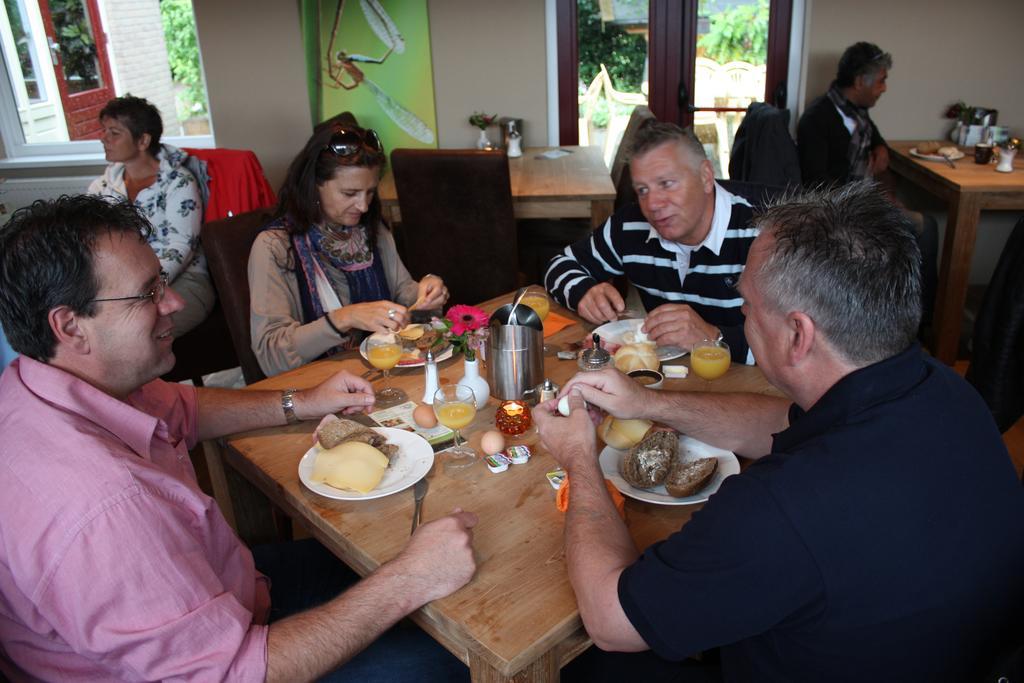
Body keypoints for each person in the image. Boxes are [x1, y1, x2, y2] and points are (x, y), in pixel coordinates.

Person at [536, 182, 1024, 681]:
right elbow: (777, 421)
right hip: (954, 657)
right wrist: (647, 402)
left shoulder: (783, 505)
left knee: (589, 667)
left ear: (798, 334)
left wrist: (579, 456)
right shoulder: (942, 387)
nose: (742, 317)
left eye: (746, 307)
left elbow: (610, 621)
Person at [0, 195, 476, 681]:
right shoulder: (102, 507)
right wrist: (408, 580)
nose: (175, 301)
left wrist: (300, 401)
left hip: (228, 593)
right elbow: (233, 673)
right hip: (238, 665)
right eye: (147, 293)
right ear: (69, 326)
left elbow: (184, 408)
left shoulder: (45, 384)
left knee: (397, 559)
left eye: (161, 281)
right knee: (461, 653)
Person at [544, 120, 758, 364]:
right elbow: (559, 265)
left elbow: (793, 346)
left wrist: (714, 337)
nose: (653, 204)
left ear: (706, 176)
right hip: (663, 384)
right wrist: (583, 292)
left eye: (666, 184)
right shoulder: (630, 225)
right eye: (643, 190)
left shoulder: (761, 236)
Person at [249, 122, 448, 377]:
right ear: (315, 185)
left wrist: (427, 293)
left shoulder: (371, 230)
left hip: (377, 376)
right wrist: (345, 318)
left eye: (370, 192)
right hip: (315, 389)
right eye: (350, 193)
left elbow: (402, 293)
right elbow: (271, 357)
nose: (363, 206)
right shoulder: (275, 246)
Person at [797, 42, 938, 330]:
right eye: (882, 80)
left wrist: (882, 148)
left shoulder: (857, 112)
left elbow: (874, 137)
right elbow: (817, 184)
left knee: (923, 228)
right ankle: (921, 324)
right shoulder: (818, 119)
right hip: (843, 209)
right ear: (861, 81)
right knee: (927, 228)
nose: (884, 88)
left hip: (864, 199)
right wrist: (873, 203)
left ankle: (910, 315)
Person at [88, 94, 214, 336]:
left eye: (114, 133)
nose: (103, 138)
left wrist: (139, 287)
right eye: (103, 131)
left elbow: (180, 246)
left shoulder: (178, 183)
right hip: (122, 288)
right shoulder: (101, 188)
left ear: (143, 140)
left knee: (135, 335)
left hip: (183, 281)